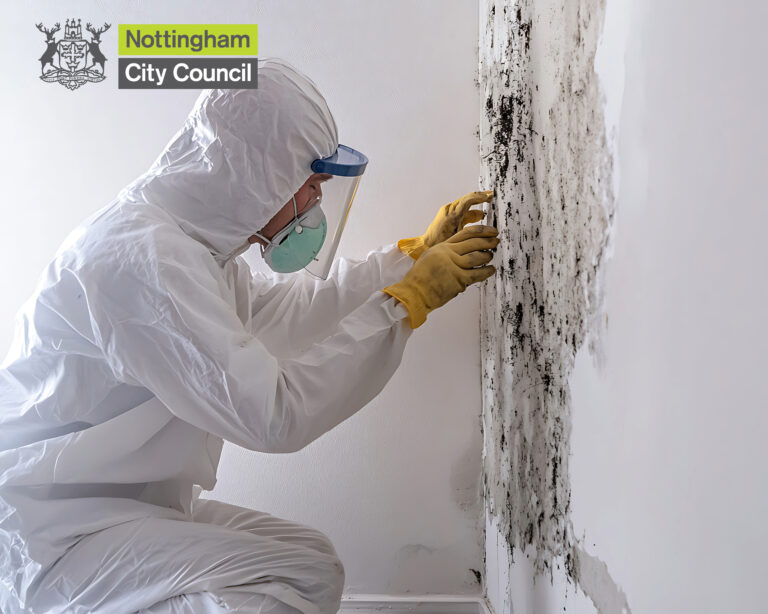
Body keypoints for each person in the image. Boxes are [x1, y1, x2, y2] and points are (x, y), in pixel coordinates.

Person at [0, 58, 498, 613]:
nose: (314, 203)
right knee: (285, 584)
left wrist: (405, 263)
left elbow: (289, 311)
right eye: (310, 185)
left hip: (110, 507)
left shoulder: (197, 251)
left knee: (309, 561)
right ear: (257, 174)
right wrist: (403, 307)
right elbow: (272, 415)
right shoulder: (142, 262)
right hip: (45, 534)